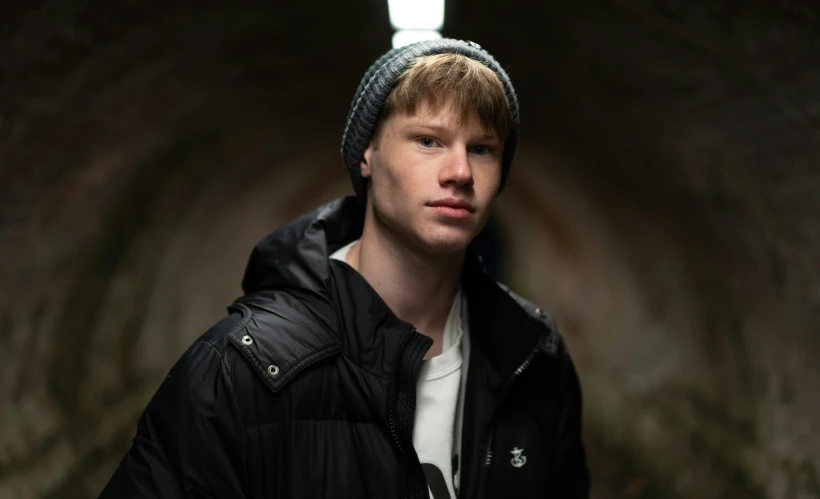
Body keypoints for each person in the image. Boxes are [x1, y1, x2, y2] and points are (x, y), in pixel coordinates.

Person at [100, 38, 590, 499]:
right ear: (366, 157)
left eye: (482, 149)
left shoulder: (534, 358)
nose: (460, 172)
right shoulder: (238, 368)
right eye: (427, 141)